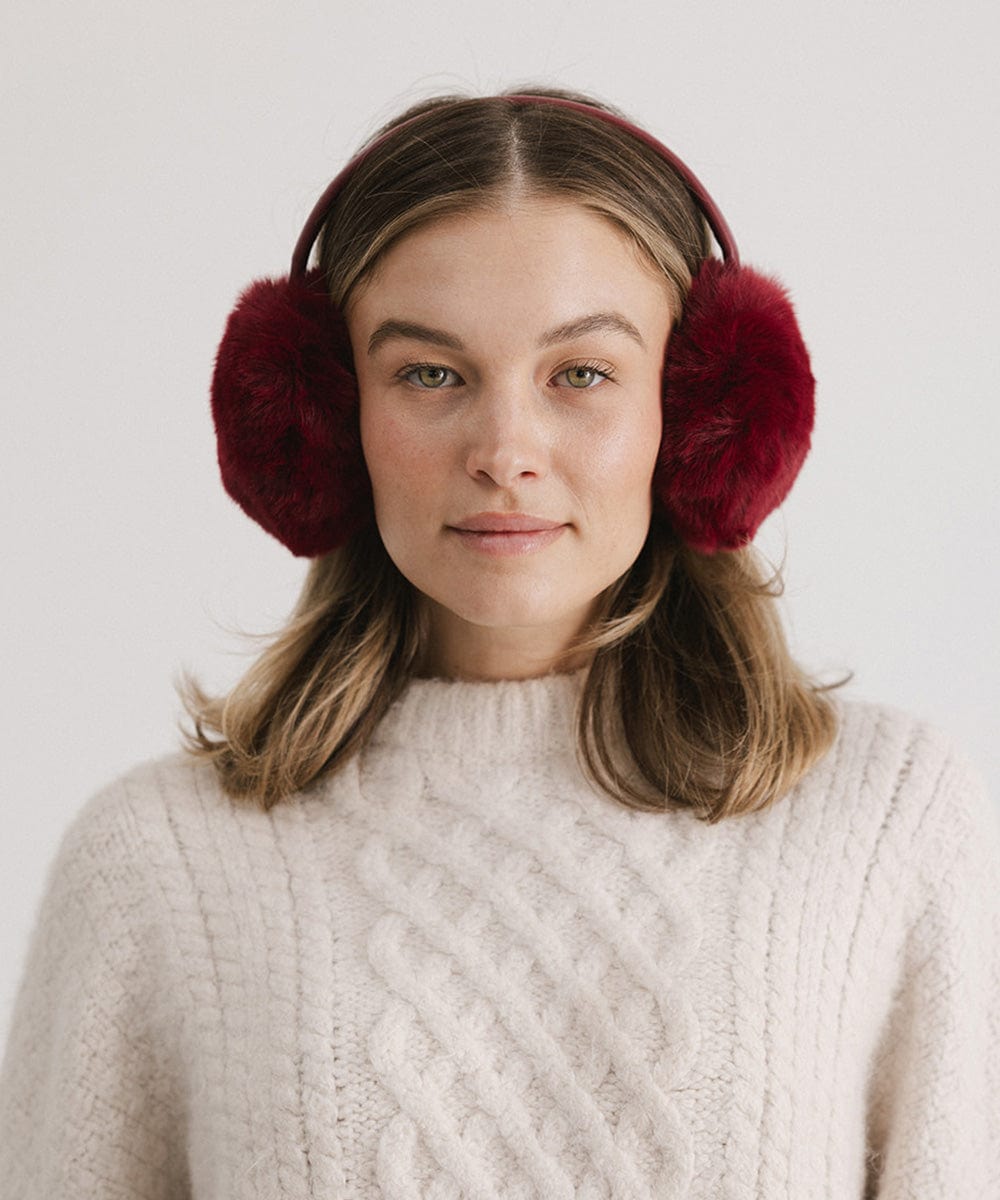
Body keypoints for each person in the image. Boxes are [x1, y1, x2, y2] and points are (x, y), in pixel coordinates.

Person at [1, 87, 997, 1199]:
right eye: (429, 373)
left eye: (581, 374)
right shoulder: (156, 866)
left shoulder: (888, 824)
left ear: (703, 414)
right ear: (323, 424)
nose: (504, 449)